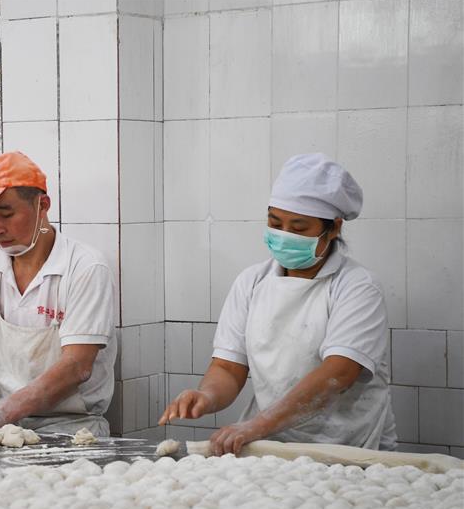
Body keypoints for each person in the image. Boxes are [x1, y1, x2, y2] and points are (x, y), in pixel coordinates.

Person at [159, 153, 397, 455]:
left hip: (347, 450)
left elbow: (338, 374)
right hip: (267, 449)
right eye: (275, 222)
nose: (284, 235)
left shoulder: (357, 287)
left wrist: (257, 425)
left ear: (334, 228)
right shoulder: (252, 282)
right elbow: (229, 368)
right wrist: (207, 396)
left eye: (298, 228)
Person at [0, 151, 117, 436]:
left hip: (72, 430)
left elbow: (77, 364)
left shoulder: (85, 267)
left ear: (43, 205)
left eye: (6, 214)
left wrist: (5, 411)